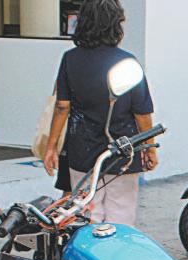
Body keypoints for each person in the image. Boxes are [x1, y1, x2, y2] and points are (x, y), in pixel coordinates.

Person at [43, 0, 156, 226]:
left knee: (85, 214)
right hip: (123, 150)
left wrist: (51, 147)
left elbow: (62, 106)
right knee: (121, 216)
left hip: (82, 150)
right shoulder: (127, 62)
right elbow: (142, 113)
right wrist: (150, 147)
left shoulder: (70, 59)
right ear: (115, 24)